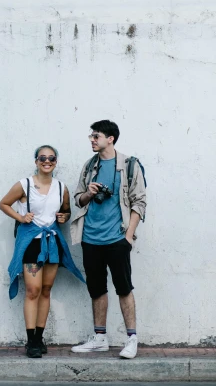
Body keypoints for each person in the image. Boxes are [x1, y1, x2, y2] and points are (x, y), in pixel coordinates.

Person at [0, 145, 85, 358]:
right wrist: (20, 218)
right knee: (32, 290)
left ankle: (39, 338)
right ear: (36, 161)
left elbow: (65, 210)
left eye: (51, 158)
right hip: (32, 243)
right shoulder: (24, 184)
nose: (47, 161)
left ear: (56, 161)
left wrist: (64, 217)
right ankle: (31, 342)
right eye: (42, 158)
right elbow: (4, 204)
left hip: (52, 243)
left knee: (46, 290)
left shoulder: (61, 187)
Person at [70, 120, 146, 360]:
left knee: (124, 288)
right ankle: (100, 338)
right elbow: (78, 200)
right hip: (90, 238)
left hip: (117, 239)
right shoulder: (89, 166)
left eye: (96, 136)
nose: (92, 140)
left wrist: (128, 236)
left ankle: (131, 339)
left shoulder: (129, 165)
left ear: (110, 138)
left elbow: (139, 202)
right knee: (97, 289)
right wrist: (88, 194)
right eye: (91, 136)